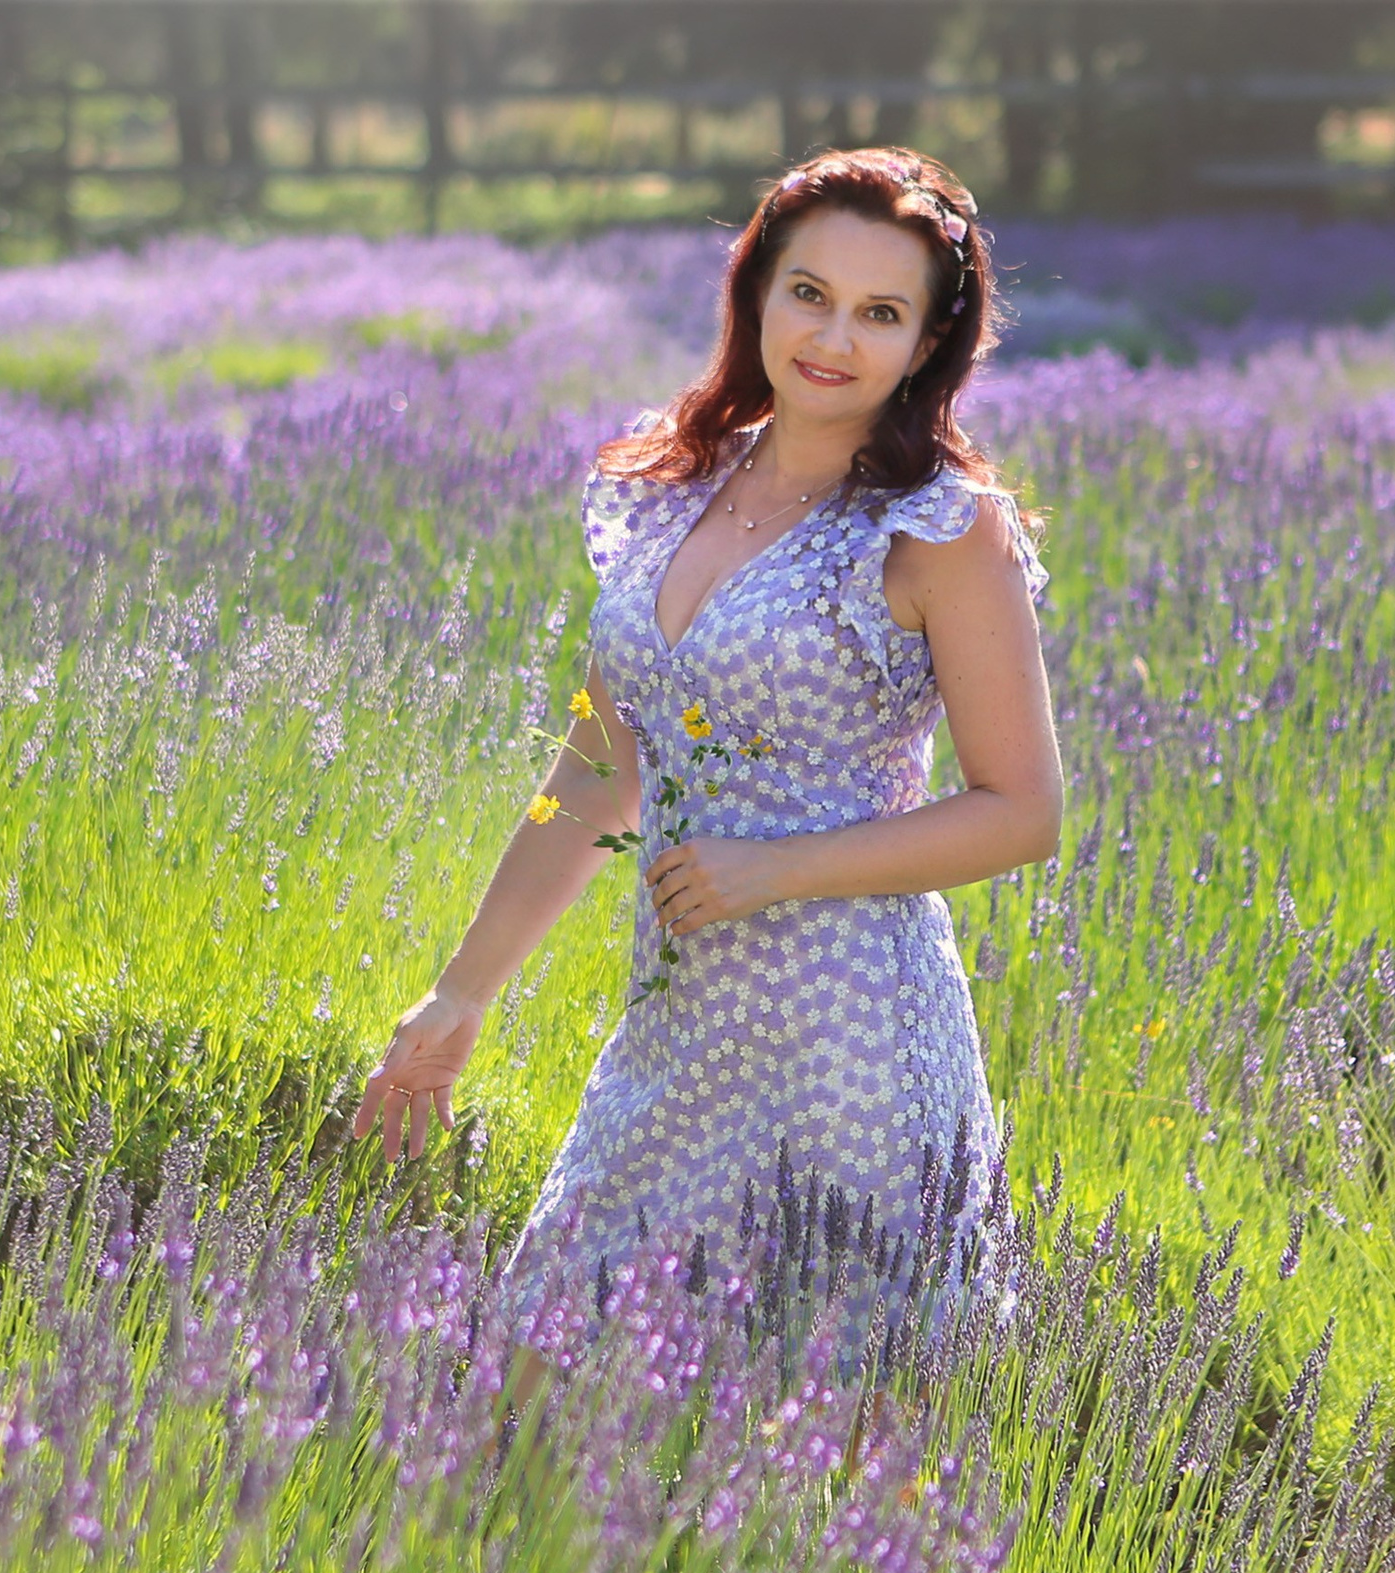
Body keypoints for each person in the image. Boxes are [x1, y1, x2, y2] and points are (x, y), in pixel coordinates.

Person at [352, 146, 1064, 1386]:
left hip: (851, 1040)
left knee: (827, 1453)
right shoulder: (672, 485)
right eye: (809, 292)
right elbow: (590, 768)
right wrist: (458, 997)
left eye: (879, 313)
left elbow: (1022, 812)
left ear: (927, 342)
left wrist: (775, 869)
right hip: (675, 1025)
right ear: (754, 291)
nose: (833, 337)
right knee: (536, 1390)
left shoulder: (941, 526)